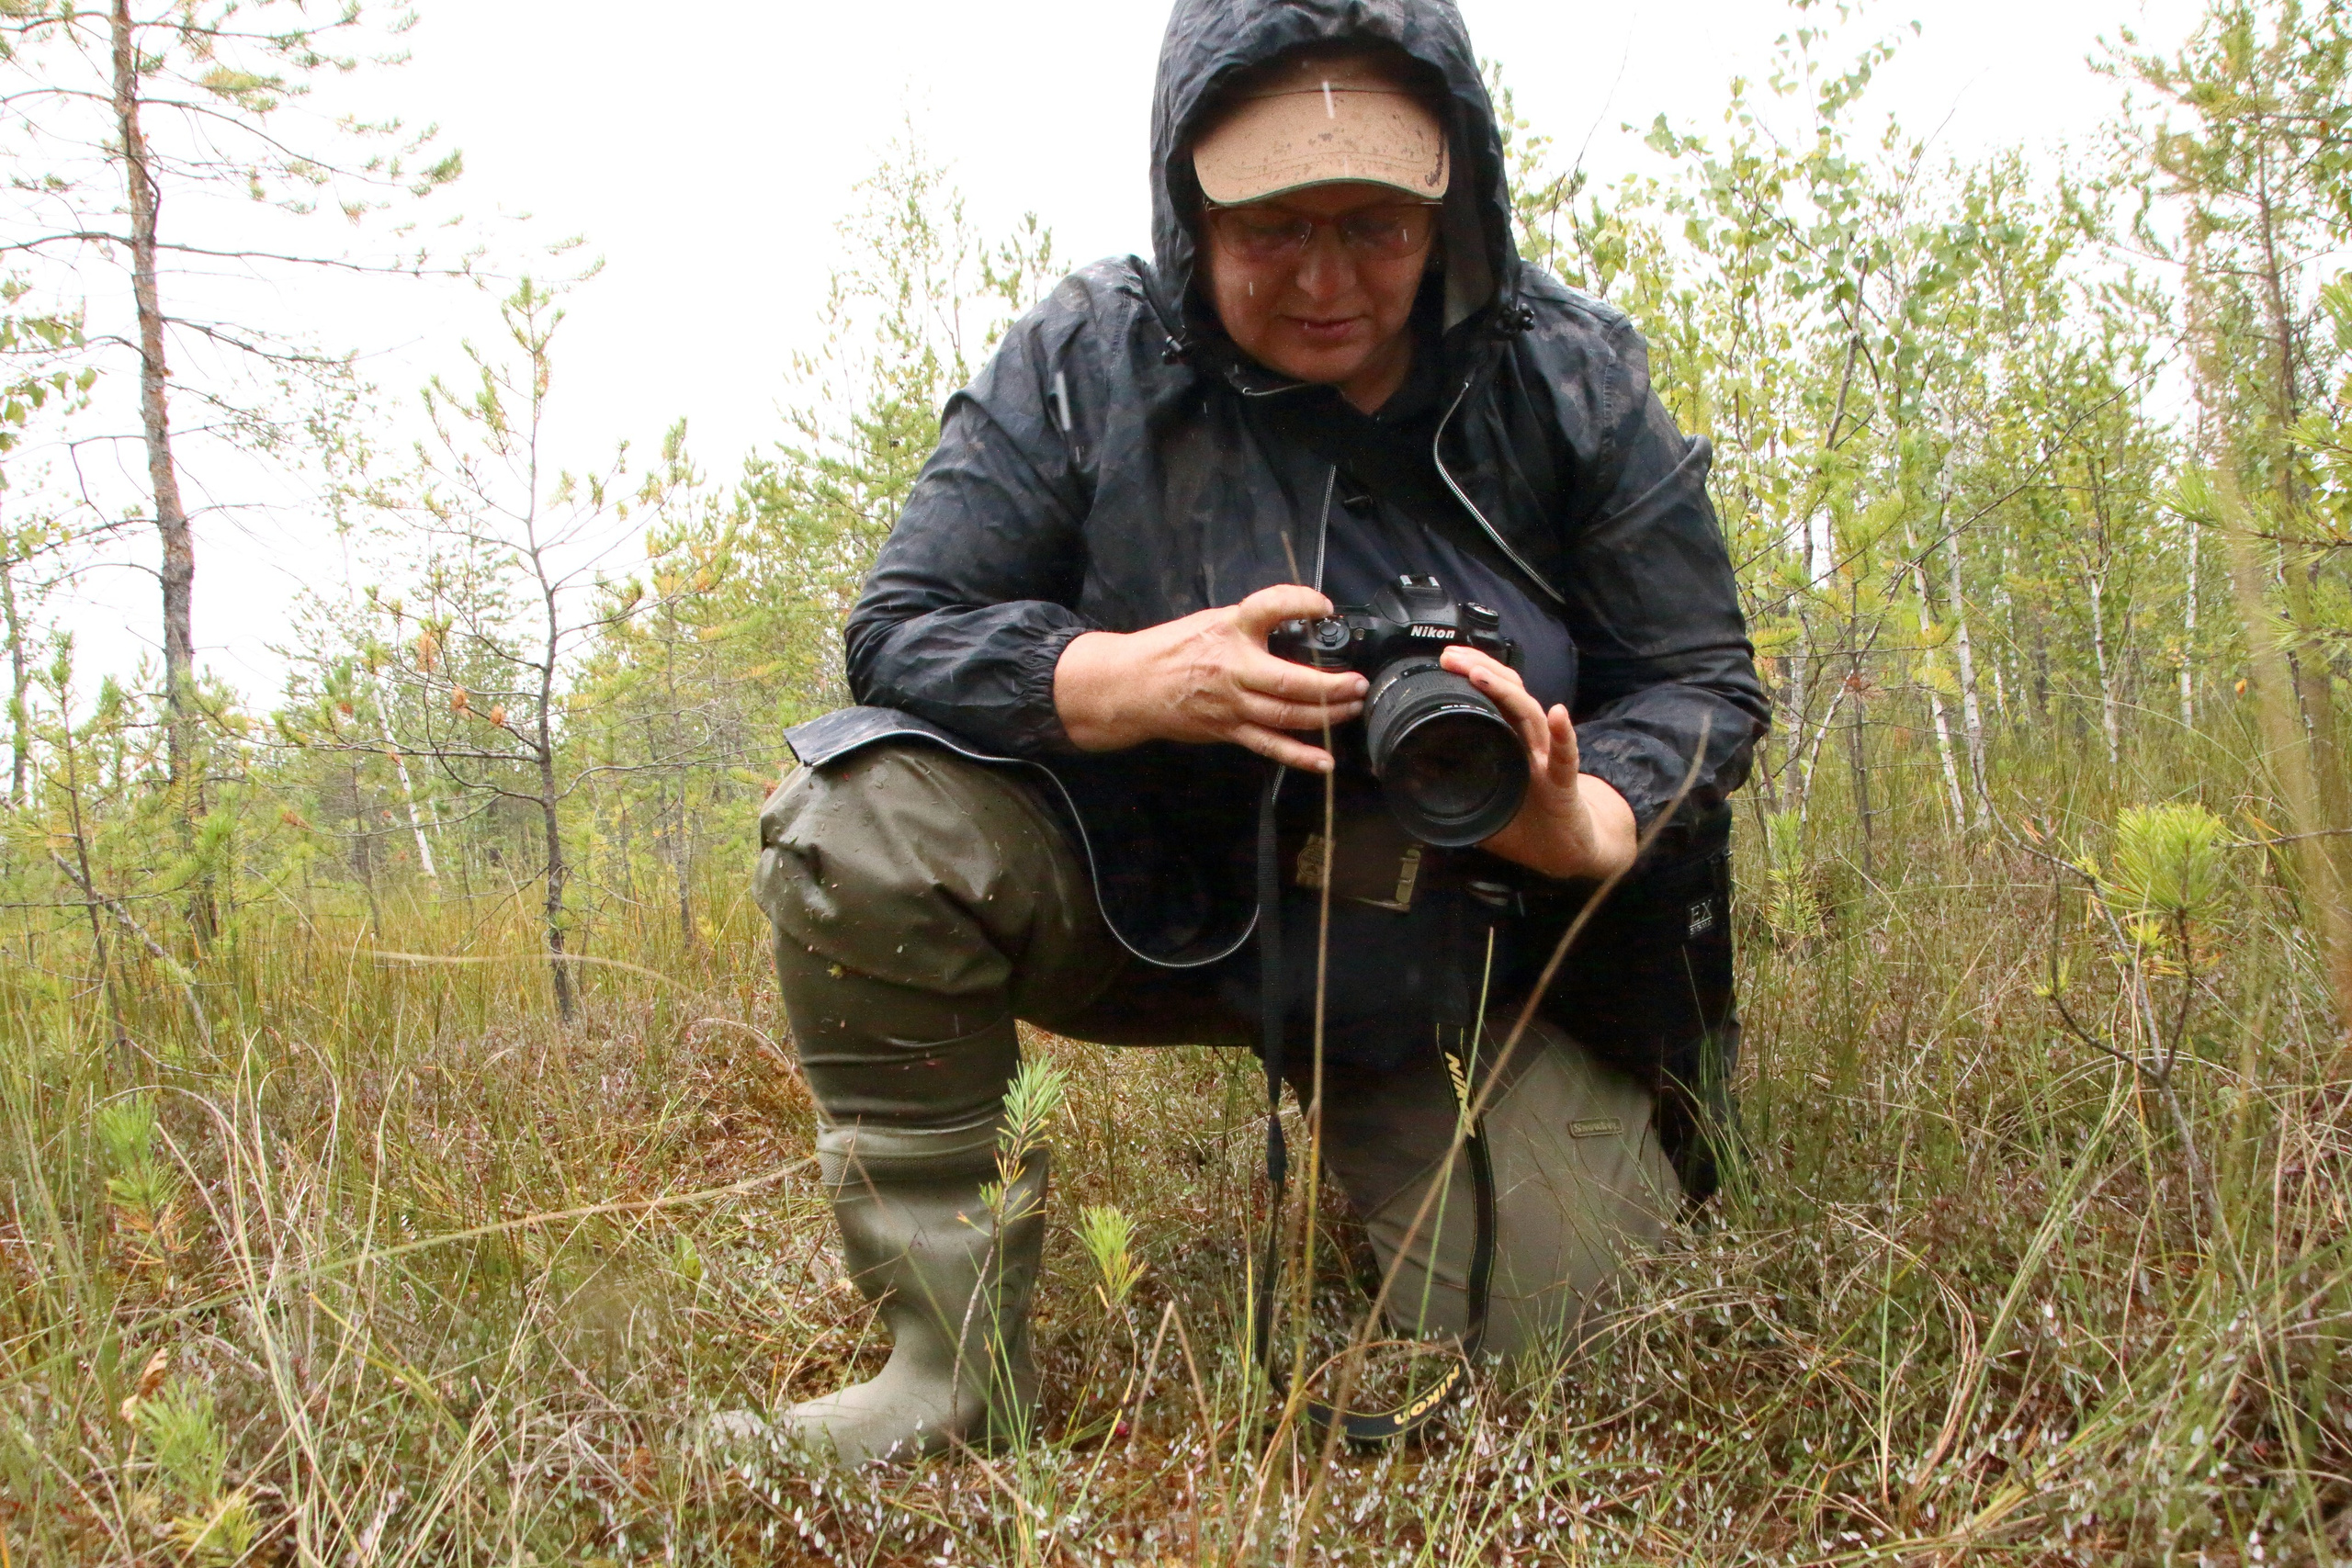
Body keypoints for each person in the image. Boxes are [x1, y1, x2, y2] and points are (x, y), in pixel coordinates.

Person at [746, 0, 1769, 1465]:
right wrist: (1123, 677)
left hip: (1430, 946)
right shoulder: (1088, 353)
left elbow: (1703, 678)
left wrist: (1590, 808)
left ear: (1454, 200)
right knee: (858, 822)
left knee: (1601, 1324)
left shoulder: (1566, 373)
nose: (1328, 278)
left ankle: (1413, 1158)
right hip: (1131, 879)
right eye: (1273, 227)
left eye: (1378, 225)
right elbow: (900, 624)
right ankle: (947, 1368)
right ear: (1189, 207)